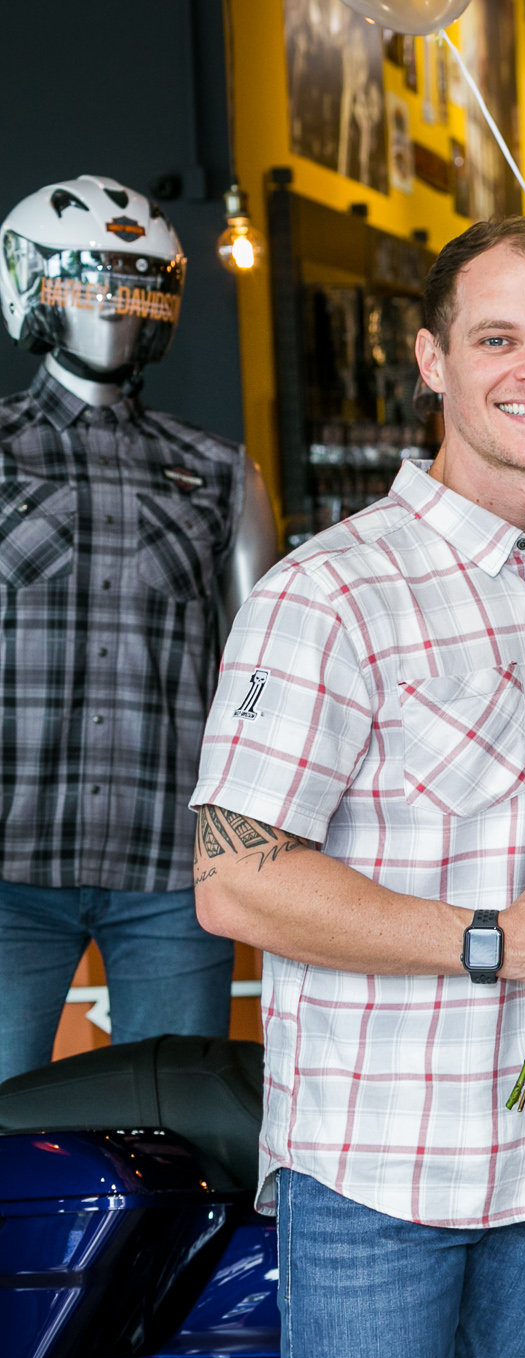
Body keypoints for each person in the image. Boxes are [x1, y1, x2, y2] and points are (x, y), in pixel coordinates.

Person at [189, 217, 525, 1358]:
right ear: (432, 361)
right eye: (498, 338)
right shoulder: (331, 594)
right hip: (381, 1175)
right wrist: (498, 941)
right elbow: (235, 884)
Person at [0, 175, 277, 1083]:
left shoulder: (221, 474)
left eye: (134, 284)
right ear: (33, 288)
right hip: (9, 864)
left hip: (170, 869)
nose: (114, 307)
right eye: (89, 283)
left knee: (178, 1135)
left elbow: (264, 677)